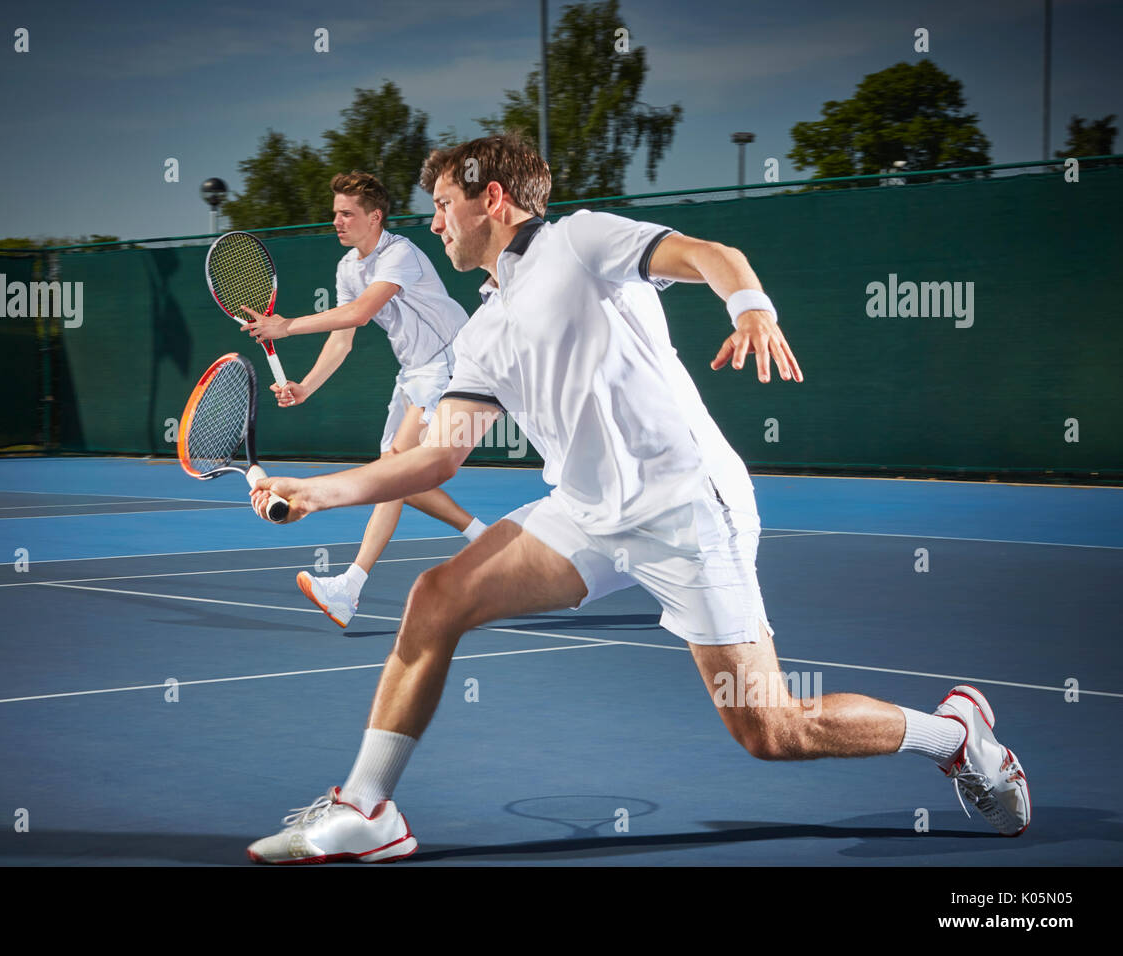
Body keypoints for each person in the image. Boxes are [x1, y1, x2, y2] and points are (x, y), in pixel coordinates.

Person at [244, 133, 1030, 864]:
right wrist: (316, 492)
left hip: (687, 511)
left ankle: (955, 736)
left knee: (772, 729)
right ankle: (370, 809)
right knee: (436, 596)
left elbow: (710, 253)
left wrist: (751, 306)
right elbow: (436, 458)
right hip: (584, 514)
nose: (436, 223)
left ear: (493, 198)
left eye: (444, 204)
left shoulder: (579, 242)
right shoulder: (482, 331)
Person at [241, 170, 486, 628]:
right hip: (415, 368)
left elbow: (362, 310)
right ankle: (487, 538)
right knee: (393, 477)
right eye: (334, 213)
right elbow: (343, 337)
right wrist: (305, 386)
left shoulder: (400, 254)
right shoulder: (348, 268)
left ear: (374, 217)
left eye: (346, 214)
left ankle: (349, 587)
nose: (337, 221)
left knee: (393, 462)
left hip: (452, 357)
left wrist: (285, 325)